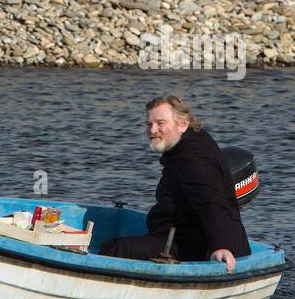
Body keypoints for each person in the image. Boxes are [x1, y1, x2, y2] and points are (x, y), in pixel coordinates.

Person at [98, 95, 250, 272]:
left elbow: (211, 203)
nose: (153, 130)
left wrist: (222, 246)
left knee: (120, 248)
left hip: (197, 247)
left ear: (183, 124)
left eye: (160, 123)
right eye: (149, 124)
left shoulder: (195, 161)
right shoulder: (188, 141)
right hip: (181, 234)